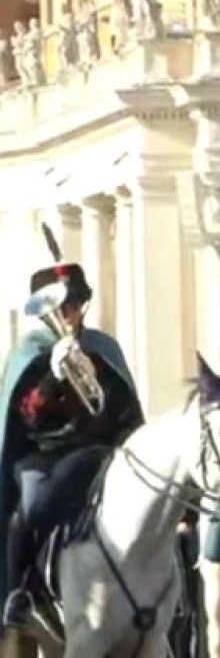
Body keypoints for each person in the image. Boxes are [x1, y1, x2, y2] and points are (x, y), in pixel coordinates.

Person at [0, 256, 142, 627]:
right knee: (32, 504)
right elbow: (27, 416)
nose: (69, 313)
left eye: (75, 304)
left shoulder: (102, 348)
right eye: (61, 306)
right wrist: (51, 377)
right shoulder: (30, 352)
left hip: (99, 452)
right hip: (44, 455)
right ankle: (21, 591)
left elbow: (126, 409)